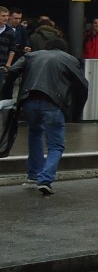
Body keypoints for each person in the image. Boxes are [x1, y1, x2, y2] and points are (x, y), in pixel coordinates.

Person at [1, 36, 88, 195]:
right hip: (53, 103)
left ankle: (33, 174)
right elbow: (82, 85)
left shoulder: (32, 55)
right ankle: (45, 179)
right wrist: (75, 112)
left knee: (34, 134)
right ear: (63, 48)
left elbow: (13, 70)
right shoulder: (69, 59)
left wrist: (6, 95)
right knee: (56, 145)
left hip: (29, 101)